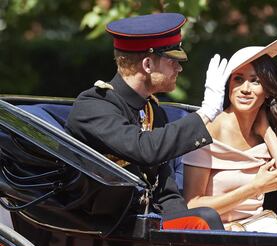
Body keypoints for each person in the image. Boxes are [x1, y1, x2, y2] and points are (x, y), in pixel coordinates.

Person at [65, 13, 229, 231]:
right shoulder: (94, 106)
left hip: (144, 223)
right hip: (106, 226)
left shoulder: (152, 110)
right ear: (148, 64)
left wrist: (187, 231)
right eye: (173, 61)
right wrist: (206, 113)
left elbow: (166, 191)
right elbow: (144, 149)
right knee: (205, 218)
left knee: (204, 221)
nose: (179, 68)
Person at [182, 33, 277, 235]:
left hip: (262, 229)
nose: (245, 89)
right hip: (223, 237)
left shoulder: (263, 137)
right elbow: (192, 206)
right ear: (228, 86)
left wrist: (267, 134)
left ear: (268, 91)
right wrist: (255, 188)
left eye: (255, 81)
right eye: (238, 79)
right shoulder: (208, 130)